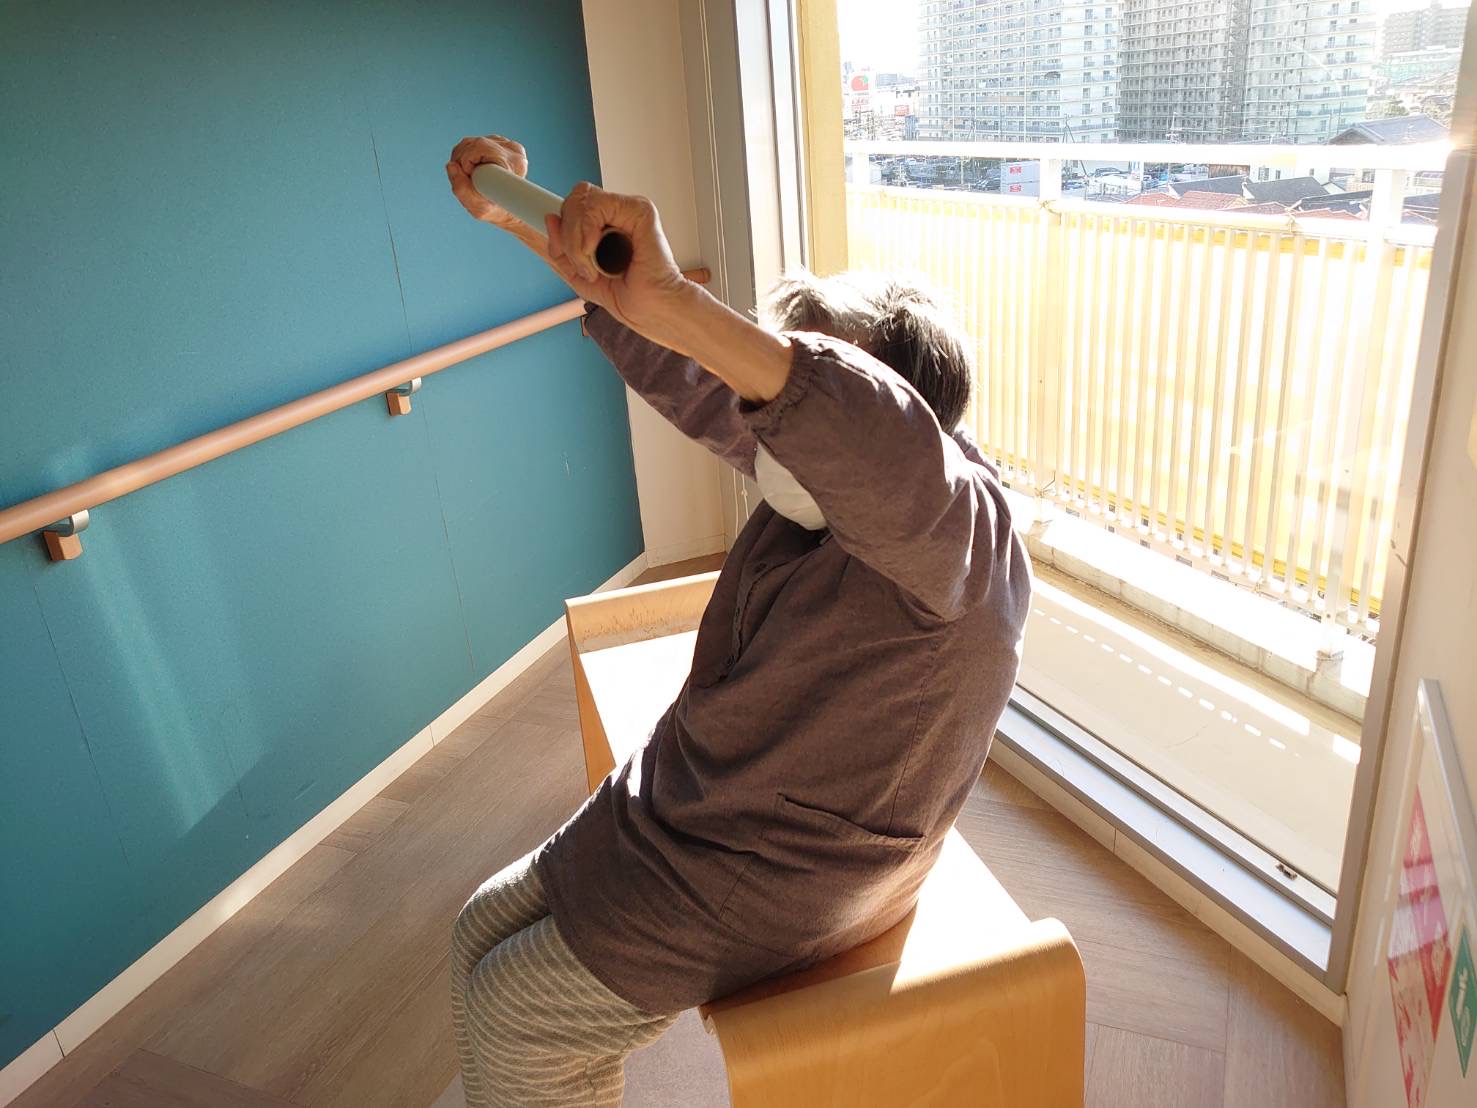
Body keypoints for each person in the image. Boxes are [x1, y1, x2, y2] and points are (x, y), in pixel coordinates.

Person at [444, 133, 1031, 1108]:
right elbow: (700, 382)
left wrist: (682, 299)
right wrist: (530, 226)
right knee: (477, 929)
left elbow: (855, 427)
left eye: (789, 394)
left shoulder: (946, 529)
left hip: (787, 869)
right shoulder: (811, 481)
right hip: (701, 804)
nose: (764, 424)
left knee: (518, 1014)